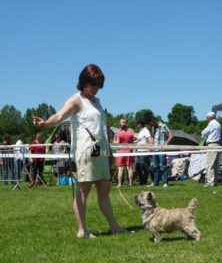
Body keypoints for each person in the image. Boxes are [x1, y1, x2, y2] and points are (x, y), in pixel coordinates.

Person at [32, 64, 125, 238]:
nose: (96, 89)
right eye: (93, 85)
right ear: (83, 82)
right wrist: (45, 124)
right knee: (83, 190)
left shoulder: (97, 101)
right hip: (85, 151)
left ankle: (114, 226)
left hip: (101, 150)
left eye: (98, 85)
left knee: (105, 189)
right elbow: (59, 116)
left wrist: (110, 152)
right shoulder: (76, 100)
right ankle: (82, 230)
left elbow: (101, 129)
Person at [150, 117, 173, 187]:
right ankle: (155, 182)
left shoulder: (163, 126)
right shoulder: (153, 128)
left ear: (156, 121)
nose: (152, 125)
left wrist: (166, 144)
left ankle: (165, 182)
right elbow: (152, 138)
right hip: (154, 150)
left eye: (153, 123)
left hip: (161, 149)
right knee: (155, 166)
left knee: (163, 166)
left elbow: (171, 135)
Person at [201, 111, 221, 187]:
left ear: (209, 117)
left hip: (212, 144)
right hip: (218, 144)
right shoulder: (218, 124)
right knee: (215, 164)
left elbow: (204, 132)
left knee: (210, 164)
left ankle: (210, 182)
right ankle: (215, 182)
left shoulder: (211, 124)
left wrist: (203, 134)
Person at [114, 118, 135, 187]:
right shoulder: (131, 131)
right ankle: (130, 183)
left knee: (121, 168)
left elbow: (116, 142)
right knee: (130, 168)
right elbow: (134, 140)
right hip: (129, 150)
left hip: (120, 151)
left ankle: (119, 184)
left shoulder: (118, 132)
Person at [134, 119, 152, 185]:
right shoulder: (141, 131)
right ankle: (141, 180)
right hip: (138, 151)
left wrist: (149, 150)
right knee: (137, 166)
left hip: (144, 151)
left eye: (138, 123)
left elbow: (150, 140)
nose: (137, 125)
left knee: (144, 167)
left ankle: (144, 180)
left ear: (141, 124)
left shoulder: (145, 130)